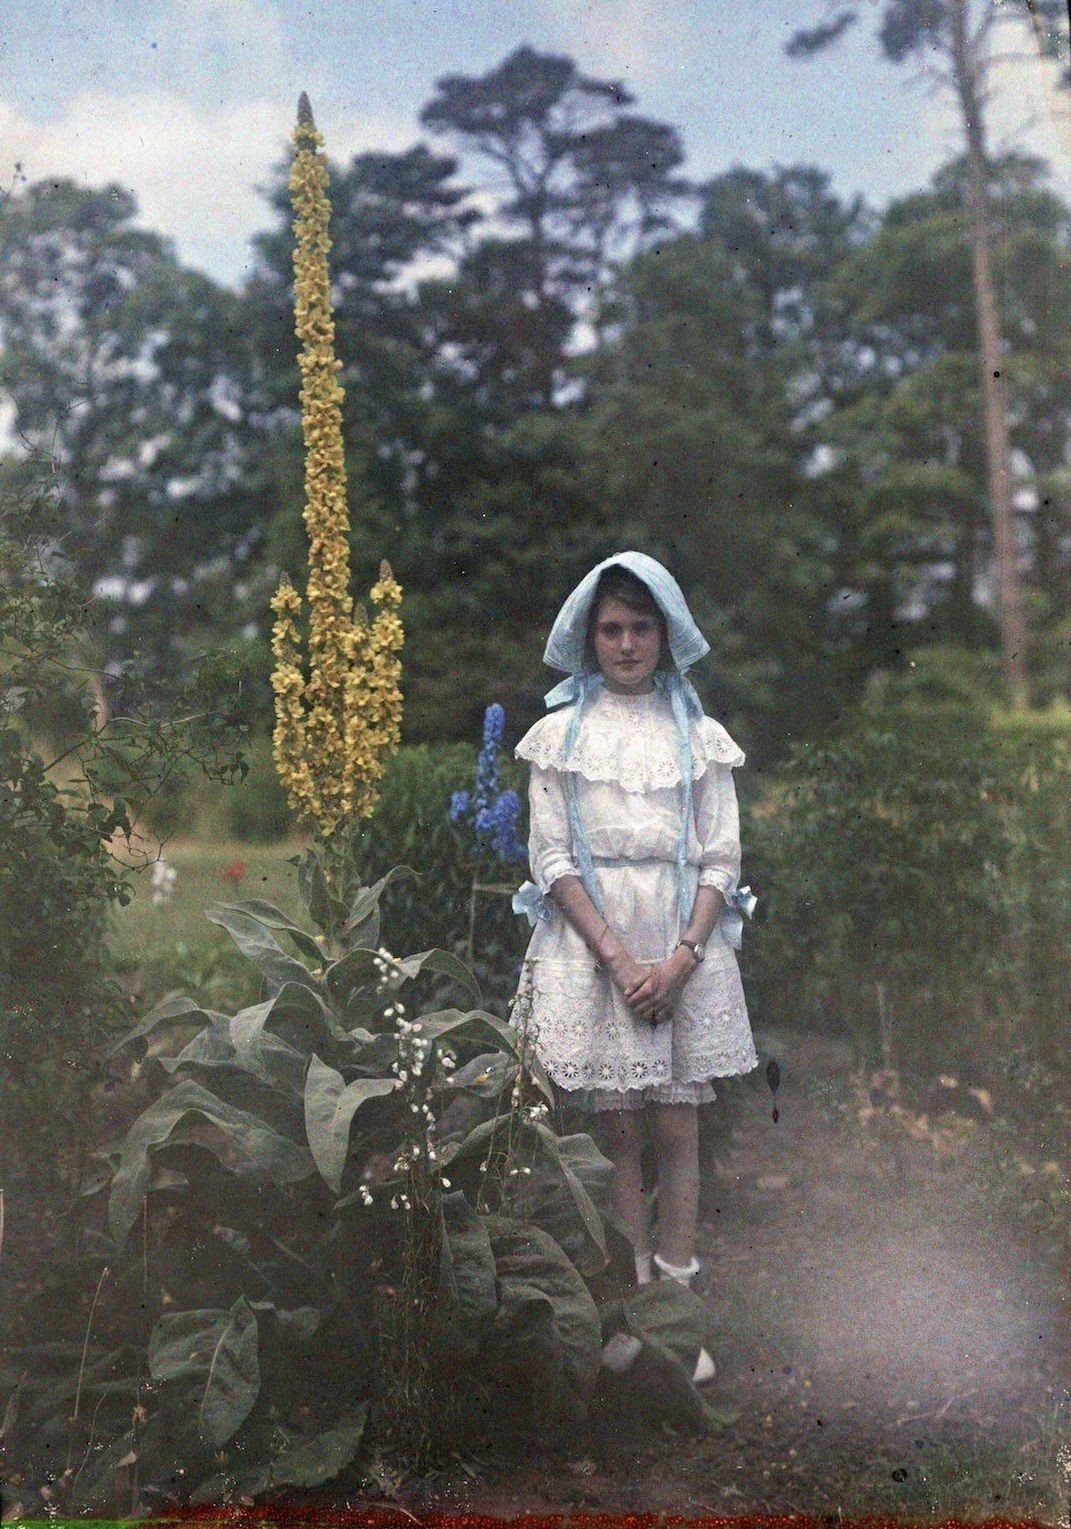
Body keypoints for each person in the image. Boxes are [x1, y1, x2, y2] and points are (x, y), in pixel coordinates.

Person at [512, 552, 758, 1382]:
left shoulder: (696, 734)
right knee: (616, 1125)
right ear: (591, 639)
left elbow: (721, 857)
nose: (625, 645)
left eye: (640, 628)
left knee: (678, 1123)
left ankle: (678, 1318)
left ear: (665, 633)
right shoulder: (559, 737)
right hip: (597, 945)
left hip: (681, 941)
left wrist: (682, 958)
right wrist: (618, 960)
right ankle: (630, 1299)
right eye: (611, 630)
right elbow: (550, 858)